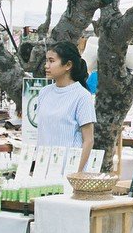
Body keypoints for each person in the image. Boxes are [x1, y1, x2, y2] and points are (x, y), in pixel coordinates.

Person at [33, 41, 96, 173]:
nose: (46, 66)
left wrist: (76, 172)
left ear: (68, 65)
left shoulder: (82, 96)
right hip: (43, 168)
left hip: (68, 169)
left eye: (51, 61)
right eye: (46, 61)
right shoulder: (44, 92)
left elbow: (88, 140)